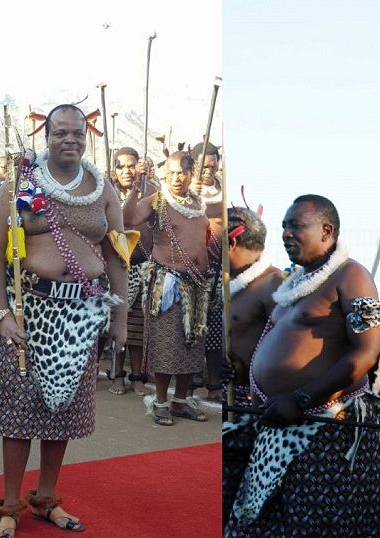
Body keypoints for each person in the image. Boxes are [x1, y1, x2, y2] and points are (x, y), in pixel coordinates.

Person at [0, 104, 127, 536]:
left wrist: (120, 317)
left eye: (77, 134)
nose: (70, 140)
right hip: (28, 310)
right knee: (20, 412)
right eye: (60, 133)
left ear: (86, 136)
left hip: (81, 314)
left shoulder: (102, 187)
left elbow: (117, 254)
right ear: (46, 135)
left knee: (62, 413)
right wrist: (1, 312)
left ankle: (45, 500)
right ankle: (8, 507)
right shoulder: (20, 183)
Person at [224, 194, 380, 536]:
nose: (286, 233)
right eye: (284, 225)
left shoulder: (353, 277)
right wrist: (245, 373)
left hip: (328, 424)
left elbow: (366, 353)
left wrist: (300, 399)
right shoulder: (294, 282)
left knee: (313, 525)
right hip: (275, 422)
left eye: (296, 225)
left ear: (327, 231)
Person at [123, 151, 211, 425]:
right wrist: (137, 185)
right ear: (165, 174)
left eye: (182, 173)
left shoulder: (198, 203)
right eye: (171, 173)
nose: (176, 178)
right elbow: (128, 218)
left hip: (196, 284)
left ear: (190, 174)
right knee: (166, 345)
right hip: (167, 285)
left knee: (191, 345)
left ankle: (181, 401)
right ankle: (160, 402)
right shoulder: (158, 200)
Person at [221, 206, 282, 527]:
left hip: (252, 403)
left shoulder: (272, 284)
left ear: (231, 244)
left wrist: (248, 366)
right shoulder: (230, 282)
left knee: (241, 496)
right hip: (228, 398)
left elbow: (285, 345)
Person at [108, 146, 158, 396]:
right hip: (116, 268)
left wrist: (149, 181)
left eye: (131, 166)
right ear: (113, 170)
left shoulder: (150, 191)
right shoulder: (106, 192)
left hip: (144, 266)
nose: (126, 171)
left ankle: (137, 376)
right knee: (118, 322)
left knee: (138, 328)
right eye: (121, 166)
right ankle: (116, 375)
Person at [190, 141, 225, 402]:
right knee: (189, 327)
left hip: (217, 269)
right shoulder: (186, 191)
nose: (207, 170)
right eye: (202, 165)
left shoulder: (225, 188)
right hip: (191, 268)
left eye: (211, 164)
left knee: (213, 329)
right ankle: (187, 381)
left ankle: (214, 382)